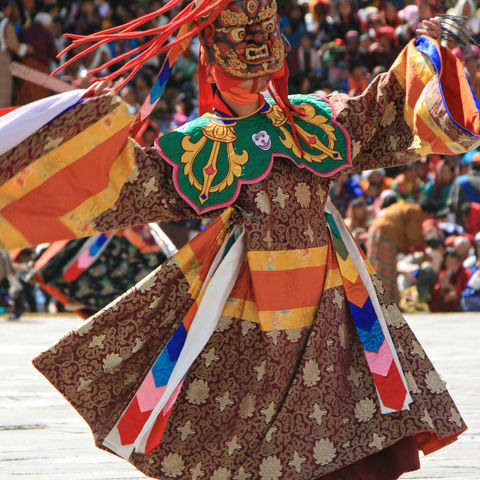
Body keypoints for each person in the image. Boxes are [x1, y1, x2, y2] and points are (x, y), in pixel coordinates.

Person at [0, 5, 477, 480]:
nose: (253, 51)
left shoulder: (314, 118)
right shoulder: (204, 142)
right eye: (239, 39)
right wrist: (78, 127)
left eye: (261, 35)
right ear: (211, 58)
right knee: (251, 427)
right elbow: (127, 187)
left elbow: (386, 109)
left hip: (331, 298)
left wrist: (430, 52)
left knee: (340, 423)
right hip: (248, 302)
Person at [366, 199, 439, 301]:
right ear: (428, 213)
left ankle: (384, 302)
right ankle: (385, 302)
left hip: (378, 233)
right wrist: (423, 251)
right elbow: (414, 235)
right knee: (384, 271)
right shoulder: (416, 212)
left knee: (379, 269)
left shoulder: (407, 208)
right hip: (384, 235)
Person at [0, 0, 31, 107]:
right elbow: (14, 44)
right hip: (3, 59)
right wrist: (26, 48)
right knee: (3, 90)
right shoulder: (6, 24)